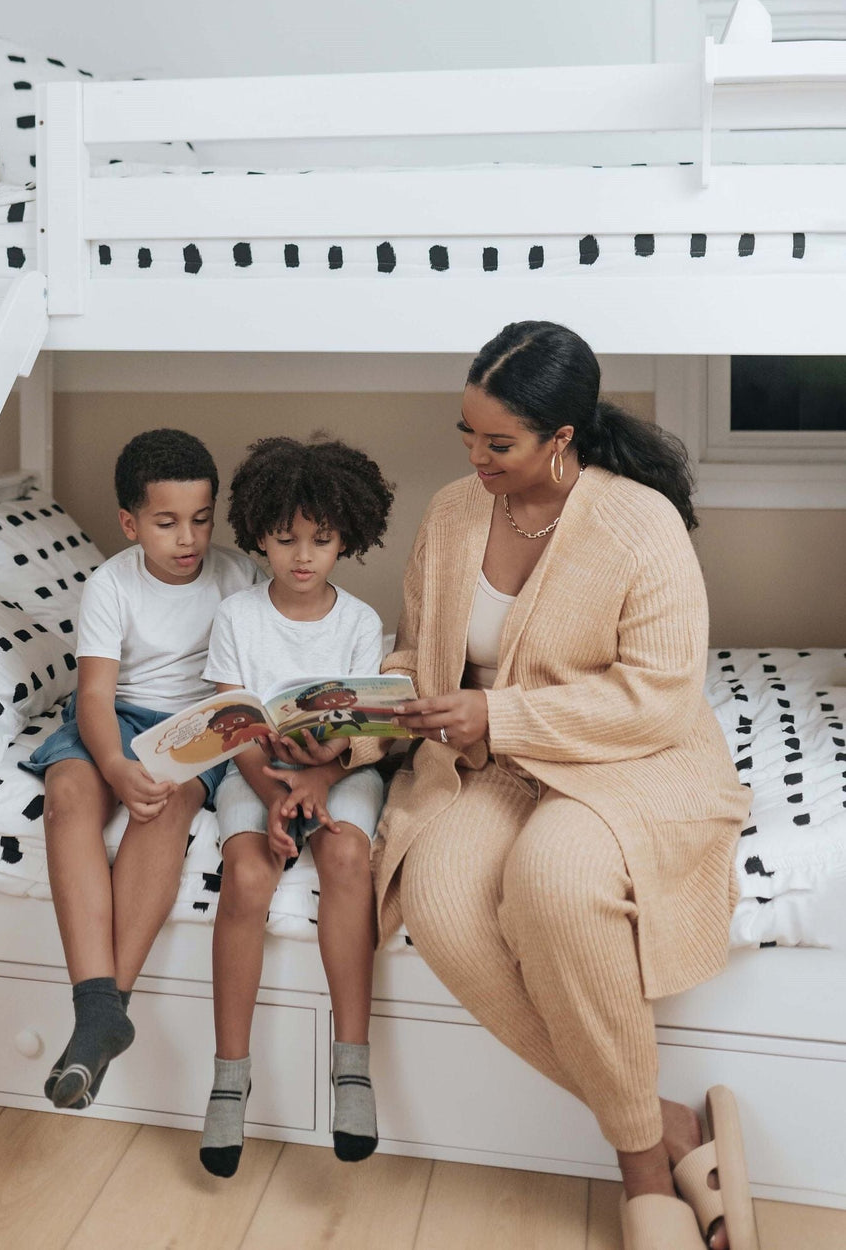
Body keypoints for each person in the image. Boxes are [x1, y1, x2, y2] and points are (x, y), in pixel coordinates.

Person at [323, 322, 753, 1250]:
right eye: (466, 436)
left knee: (556, 885)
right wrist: (367, 708)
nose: (476, 458)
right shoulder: (451, 514)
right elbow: (422, 645)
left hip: (631, 758)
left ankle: (641, 1167)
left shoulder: (639, 523)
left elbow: (660, 697)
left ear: (562, 439)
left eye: (500, 443)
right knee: (436, 897)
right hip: (493, 762)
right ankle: (674, 1128)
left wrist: (501, 717)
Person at [21, 429, 261, 1111]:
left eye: (201, 518)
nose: (188, 538)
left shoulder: (238, 575)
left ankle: (101, 1013)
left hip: (194, 725)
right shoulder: (110, 584)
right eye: (166, 523)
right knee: (68, 793)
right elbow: (95, 697)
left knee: (171, 800)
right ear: (130, 523)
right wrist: (115, 765)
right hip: (117, 714)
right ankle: (102, 1010)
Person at [198, 435, 394, 1177]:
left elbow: (363, 732)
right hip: (258, 770)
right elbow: (233, 721)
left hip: (337, 771)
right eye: (285, 541)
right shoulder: (238, 618)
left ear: (348, 534)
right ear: (259, 536)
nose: (303, 556)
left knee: (345, 854)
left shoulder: (359, 622)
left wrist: (319, 780)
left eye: (321, 540)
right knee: (247, 878)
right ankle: (228, 1078)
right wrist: (272, 785)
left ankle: (352, 1068)